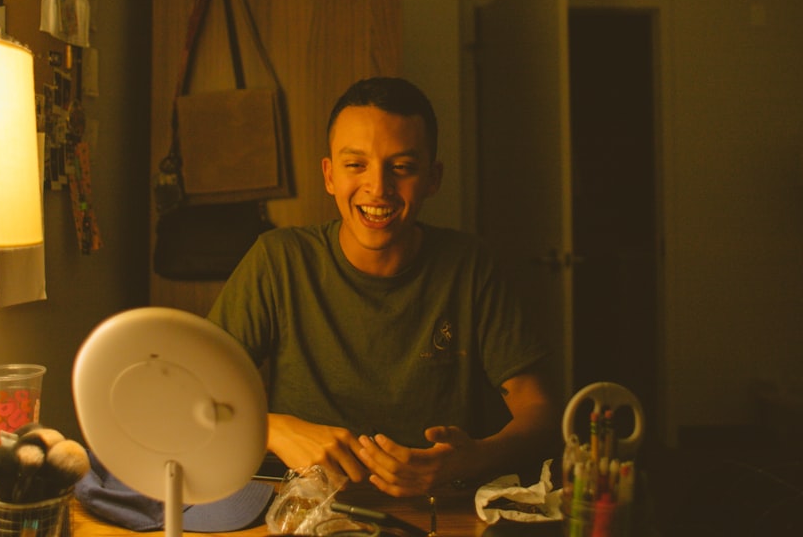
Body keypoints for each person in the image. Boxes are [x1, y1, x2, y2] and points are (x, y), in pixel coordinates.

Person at [208, 76, 554, 497]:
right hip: (301, 511)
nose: (378, 188)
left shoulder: (469, 265)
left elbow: (540, 412)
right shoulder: (278, 260)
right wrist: (272, 427)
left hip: (436, 509)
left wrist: (476, 455)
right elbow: (192, 392)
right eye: (356, 165)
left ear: (433, 178)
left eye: (402, 167)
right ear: (330, 174)